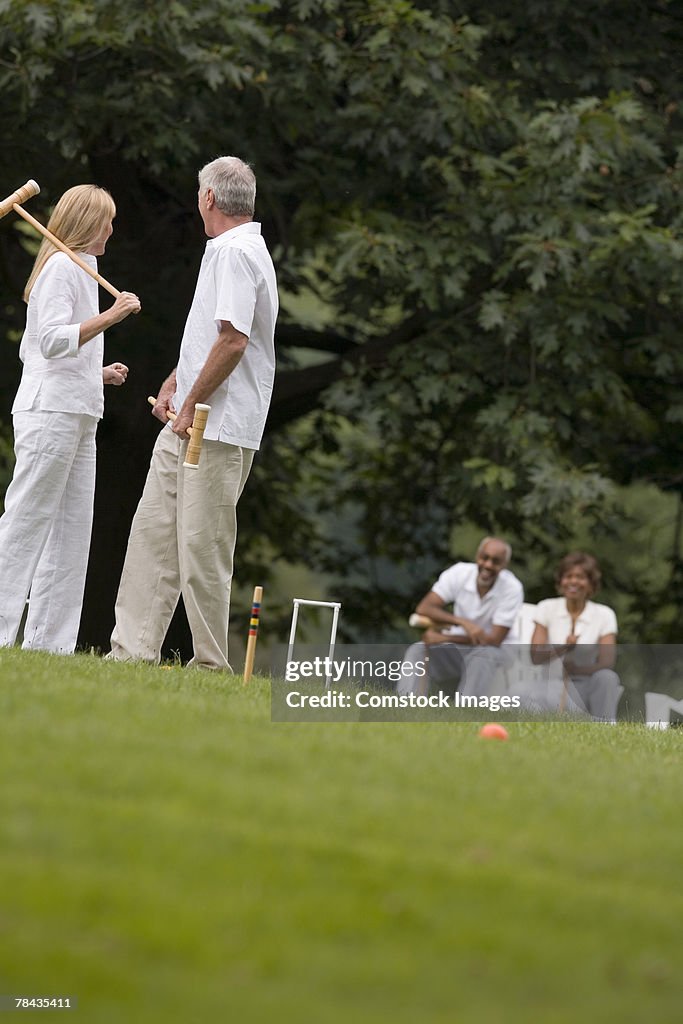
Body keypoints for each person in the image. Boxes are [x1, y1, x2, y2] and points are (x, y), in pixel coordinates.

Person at [108, 156, 278, 671]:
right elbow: (212, 335)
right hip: (197, 416)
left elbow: (233, 341)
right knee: (153, 533)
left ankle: (210, 664)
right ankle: (130, 653)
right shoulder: (229, 249)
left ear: (208, 198)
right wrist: (176, 380)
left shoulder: (236, 253)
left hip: (217, 427)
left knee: (203, 546)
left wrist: (189, 407)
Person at [0, 184, 140, 654]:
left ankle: (49, 645)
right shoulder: (61, 266)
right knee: (26, 522)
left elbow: (51, 350)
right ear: (85, 222)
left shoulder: (85, 266)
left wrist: (95, 373)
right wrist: (112, 317)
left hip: (79, 410)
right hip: (49, 412)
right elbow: (47, 342)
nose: (112, 230)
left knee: (72, 531)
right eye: (108, 221)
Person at [398, 537, 524, 697]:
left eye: (496, 561)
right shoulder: (459, 573)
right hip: (461, 646)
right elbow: (425, 607)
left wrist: (444, 638)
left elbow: (493, 641)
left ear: (504, 565)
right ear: (477, 556)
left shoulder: (512, 588)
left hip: (498, 651)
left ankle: (464, 713)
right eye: (485, 558)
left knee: (483, 655)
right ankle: (404, 707)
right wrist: (463, 623)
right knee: (418, 650)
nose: (488, 565)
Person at [530, 551, 622, 721]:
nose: (573, 581)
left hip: (587, 684)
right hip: (553, 684)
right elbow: (535, 656)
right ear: (561, 581)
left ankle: (606, 724)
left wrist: (578, 670)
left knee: (608, 678)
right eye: (568, 576)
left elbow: (607, 662)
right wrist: (564, 648)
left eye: (580, 577)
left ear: (591, 584)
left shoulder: (604, 614)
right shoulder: (546, 608)